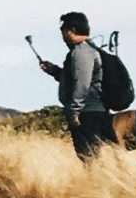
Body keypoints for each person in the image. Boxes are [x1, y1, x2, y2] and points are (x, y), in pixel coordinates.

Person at [38, 13, 113, 162]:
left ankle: (95, 184)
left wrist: (74, 112)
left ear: (71, 30)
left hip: (87, 112)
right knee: (91, 157)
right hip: (91, 110)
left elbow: (82, 84)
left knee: (89, 158)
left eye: (63, 30)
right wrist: (55, 71)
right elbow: (79, 80)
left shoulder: (81, 52)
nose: (62, 35)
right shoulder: (87, 50)